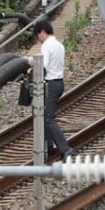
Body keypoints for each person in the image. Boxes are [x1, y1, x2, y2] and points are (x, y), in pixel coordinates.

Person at [28, 22, 73, 160]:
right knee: (42, 114)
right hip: (59, 83)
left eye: (38, 36)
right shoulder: (59, 45)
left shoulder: (46, 45)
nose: (39, 39)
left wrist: (31, 64)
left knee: (47, 117)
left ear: (42, 32)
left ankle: (66, 149)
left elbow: (43, 65)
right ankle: (48, 147)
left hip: (50, 85)